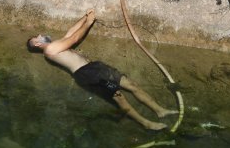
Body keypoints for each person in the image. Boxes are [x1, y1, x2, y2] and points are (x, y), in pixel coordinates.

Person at [27, 10, 176, 130]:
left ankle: (159, 110)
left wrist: (85, 17)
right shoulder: (50, 49)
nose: (40, 35)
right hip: (88, 75)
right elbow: (74, 39)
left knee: (131, 85)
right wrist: (89, 23)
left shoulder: (55, 44)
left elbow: (70, 33)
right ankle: (146, 124)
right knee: (119, 98)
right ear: (38, 45)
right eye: (37, 38)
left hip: (95, 68)